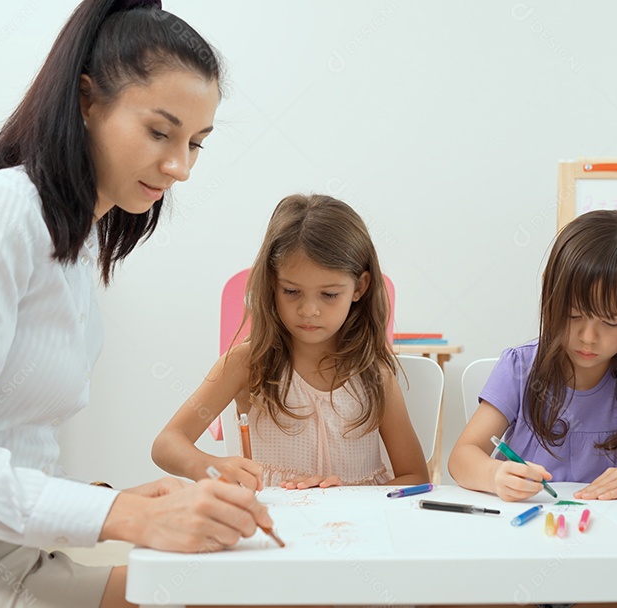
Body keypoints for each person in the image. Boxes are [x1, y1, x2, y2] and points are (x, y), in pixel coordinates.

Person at [0, 2, 277, 607]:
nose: (179, 167)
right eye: (160, 132)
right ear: (87, 100)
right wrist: (121, 516)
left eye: (196, 143)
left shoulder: (75, 245)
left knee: (240, 589)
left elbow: (13, 442)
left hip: (21, 558)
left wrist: (131, 500)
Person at [152, 194, 430, 492]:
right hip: (277, 523)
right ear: (273, 284)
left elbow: (416, 476)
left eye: (329, 295)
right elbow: (167, 443)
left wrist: (350, 497)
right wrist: (212, 467)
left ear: (359, 287)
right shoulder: (248, 363)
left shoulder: (375, 374)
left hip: (357, 528)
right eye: (292, 291)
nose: (309, 310)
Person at [448, 209, 617, 503]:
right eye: (573, 314)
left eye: (611, 322)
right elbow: (462, 457)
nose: (588, 337)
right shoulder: (520, 368)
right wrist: (493, 475)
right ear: (549, 290)